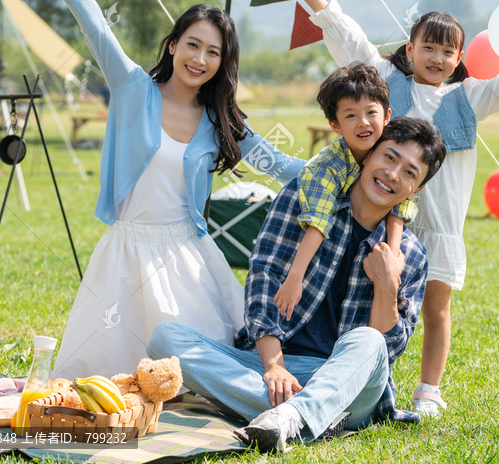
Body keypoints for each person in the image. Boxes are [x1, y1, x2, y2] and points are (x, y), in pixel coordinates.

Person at [272, 0, 499, 416]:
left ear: (458, 59)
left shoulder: (468, 97)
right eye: (428, 48)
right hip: (382, 222)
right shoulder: (387, 84)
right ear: (409, 50)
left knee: (435, 308)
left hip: (438, 227)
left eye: (447, 52)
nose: (437, 59)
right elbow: (349, 38)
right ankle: (363, 372)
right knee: (371, 296)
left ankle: (428, 389)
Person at [16, 0, 306, 378]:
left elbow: (280, 165)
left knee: (196, 378)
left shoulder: (220, 120)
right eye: (193, 44)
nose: (200, 58)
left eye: (214, 52)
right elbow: (97, 27)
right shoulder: (133, 89)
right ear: (173, 45)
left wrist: (353, 158)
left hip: (186, 256)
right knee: (103, 379)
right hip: (124, 254)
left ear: (222, 64)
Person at [148, 118, 447, 453]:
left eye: (410, 172)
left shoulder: (411, 255)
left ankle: (286, 412)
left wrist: (388, 282)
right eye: (389, 158)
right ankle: (301, 414)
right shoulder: (305, 199)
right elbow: (264, 278)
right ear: (367, 155)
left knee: (368, 340)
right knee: (166, 341)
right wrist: (274, 366)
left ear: (416, 190)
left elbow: (383, 353)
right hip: (274, 362)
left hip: (347, 380)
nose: (393, 175)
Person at [273, 63, 417, 322]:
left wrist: (392, 259)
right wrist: (294, 278)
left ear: (386, 116)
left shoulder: (392, 151)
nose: (363, 123)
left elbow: (402, 202)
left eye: (371, 112)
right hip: (324, 242)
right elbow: (318, 221)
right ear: (335, 125)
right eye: (350, 116)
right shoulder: (326, 168)